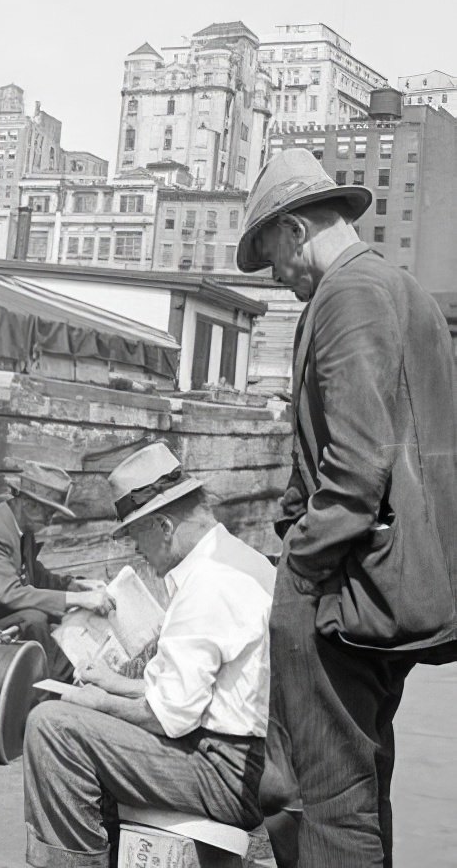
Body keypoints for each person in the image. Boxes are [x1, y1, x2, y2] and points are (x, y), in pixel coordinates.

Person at [236, 147, 457, 867]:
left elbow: (357, 466)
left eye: (270, 252)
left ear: (296, 230)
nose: (275, 277)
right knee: (352, 787)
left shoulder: (347, 294)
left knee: (319, 799)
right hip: (389, 581)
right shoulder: (406, 290)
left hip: (342, 585)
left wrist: (300, 564)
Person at [22, 442, 273, 868]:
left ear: (162, 525)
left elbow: (169, 716)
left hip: (227, 772)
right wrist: (115, 684)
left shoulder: (208, 584)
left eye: (135, 535)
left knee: (53, 726)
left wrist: (96, 701)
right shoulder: (236, 559)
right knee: (84, 720)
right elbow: (199, 693)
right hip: (250, 760)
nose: (135, 550)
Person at [0, 461, 111, 680]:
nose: (50, 521)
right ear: (28, 503)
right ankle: (60, 684)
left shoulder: (19, 528)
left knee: (49, 617)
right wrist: (78, 598)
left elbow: (35, 576)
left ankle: (72, 676)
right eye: (48, 513)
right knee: (34, 618)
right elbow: (10, 595)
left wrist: (74, 584)